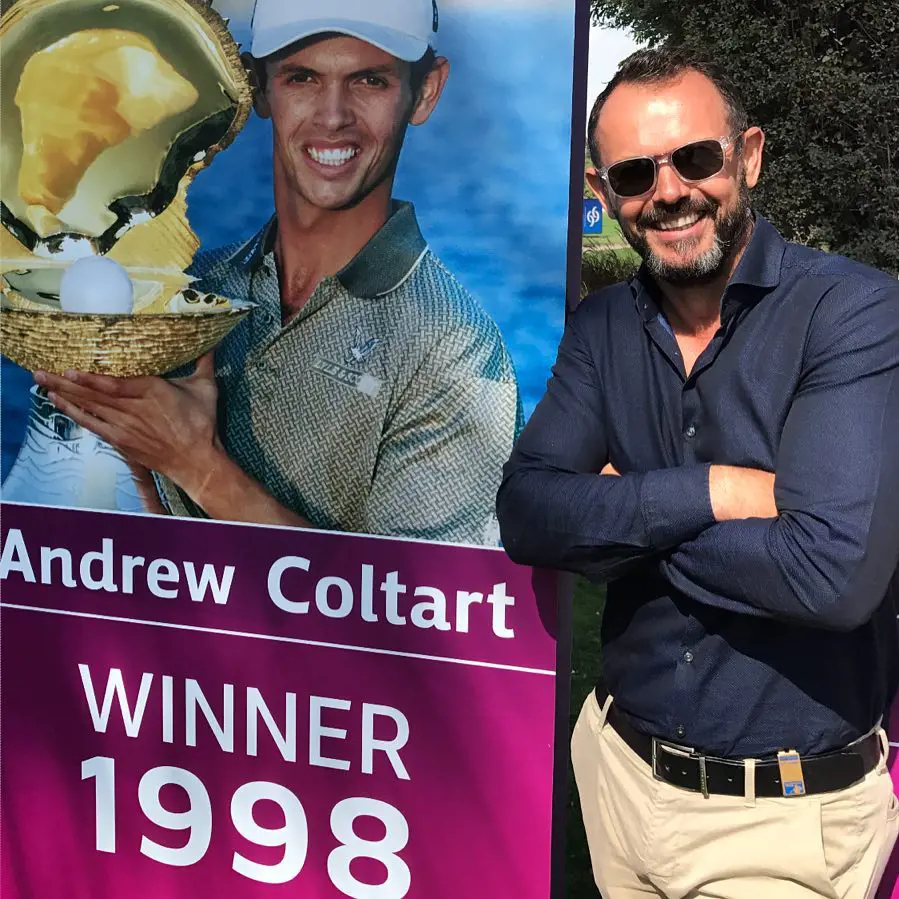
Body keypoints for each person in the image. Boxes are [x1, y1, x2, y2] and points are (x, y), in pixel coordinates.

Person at [497, 46, 899, 899]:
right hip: (614, 769)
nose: (668, 190)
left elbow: (831, 576)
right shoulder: (602, 326)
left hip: (781, 821)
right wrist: (714, 489)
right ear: (603, 191)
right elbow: (528, 514)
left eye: (695, 158)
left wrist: (616, 508)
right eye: (635, 172)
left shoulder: (851, 312)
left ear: (747, 155)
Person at [36, 0, 522, 546]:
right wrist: (115, 434)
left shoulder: (457, 354)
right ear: (258, 87)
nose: (333, 115)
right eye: (302, 77)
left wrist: (200, 465)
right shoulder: (191, 290)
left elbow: (423, 617)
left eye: (369, 80)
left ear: (425, 90)